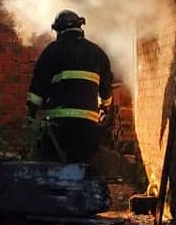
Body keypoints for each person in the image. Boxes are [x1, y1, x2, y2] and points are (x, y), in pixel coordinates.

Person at [26, 10, 113, 164]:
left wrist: (31, 114)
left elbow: (38, 88)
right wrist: (105, 107)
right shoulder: (98, 53)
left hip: (57, 126)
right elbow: (106, 90)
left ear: (59, 30)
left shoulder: (52, 51)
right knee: (83, 167)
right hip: (87, 126)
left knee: (52, 166)